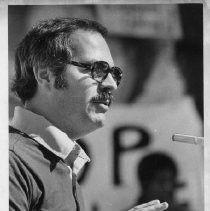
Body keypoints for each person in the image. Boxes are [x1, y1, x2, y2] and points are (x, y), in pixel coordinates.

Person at [9, 17, 169, 211]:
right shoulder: (11, 161)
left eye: (115, 73)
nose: (111, 84)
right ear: (46, 74)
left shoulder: (59, 163)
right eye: (97, 69)